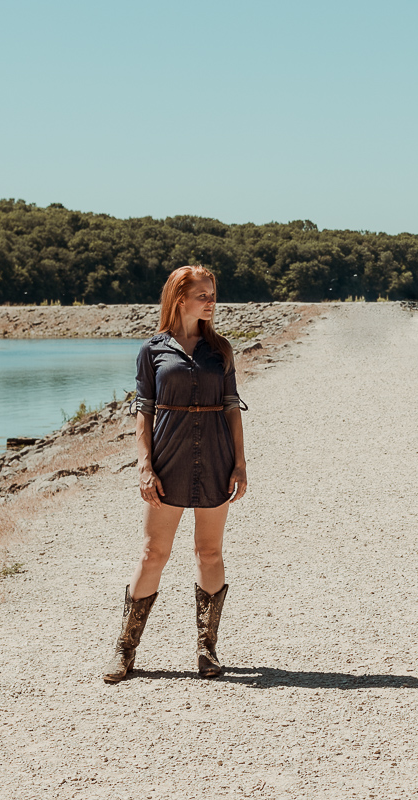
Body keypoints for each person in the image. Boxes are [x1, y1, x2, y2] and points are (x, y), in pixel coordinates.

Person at [102, 265, 248, 683]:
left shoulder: (221, 349)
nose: (210, 301)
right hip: (168, 459)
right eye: (202, 294)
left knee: (210, 553)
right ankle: (125, 650)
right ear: (179, 298)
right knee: (153, 554)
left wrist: (240, 463)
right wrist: (145, 466)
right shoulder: (152, 350)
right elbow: (142, 412)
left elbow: (232, 408)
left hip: (216, 457)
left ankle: (208, 649)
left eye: (212, 293)